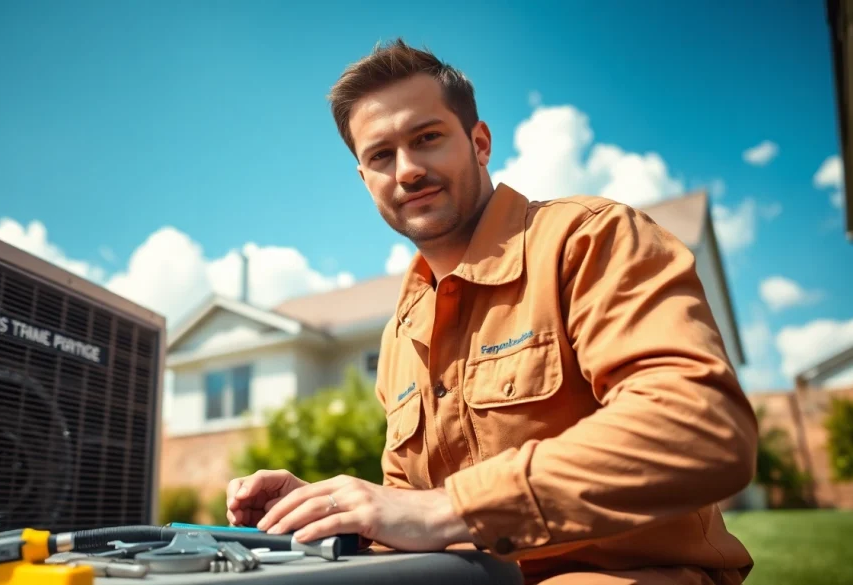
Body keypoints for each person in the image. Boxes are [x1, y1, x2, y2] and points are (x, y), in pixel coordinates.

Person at [226, 39, 759, 585]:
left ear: (479, 143)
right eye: (381, 155)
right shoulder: (399, 335)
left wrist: (450, 508)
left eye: (427, 138)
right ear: (366, 180)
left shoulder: (588, 240)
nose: (406, 170)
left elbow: (703, 428)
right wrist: (335, 514)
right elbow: (408, 510)